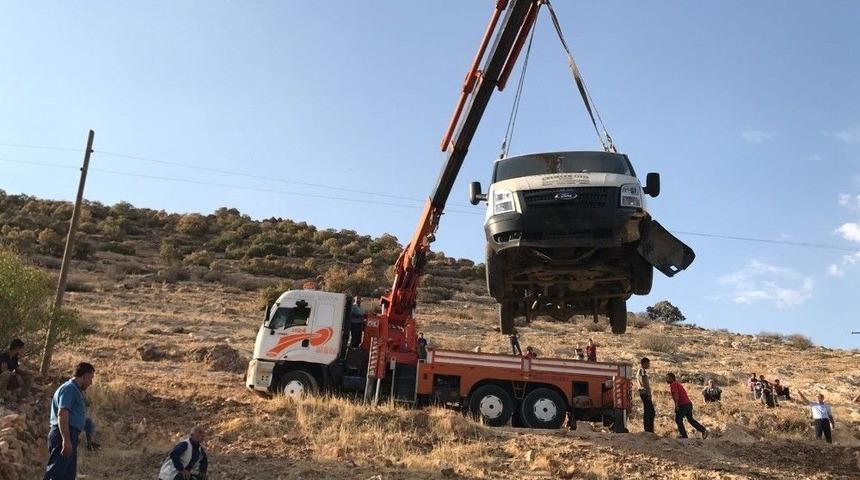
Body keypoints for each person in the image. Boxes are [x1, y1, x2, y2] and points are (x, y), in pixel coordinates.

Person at [44, 362, 96, 480]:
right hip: (63, 435)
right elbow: (62, 414)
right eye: (91, 378)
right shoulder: (69, 388)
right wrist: (66, 440)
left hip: (70, 435)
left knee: (67, 475)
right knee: (55, 474)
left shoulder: (76, 391)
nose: (91, 383)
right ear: (85, 376)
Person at [666, 372, 708, 439]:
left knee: (678, 419)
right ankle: (703, 430)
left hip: (683, 405)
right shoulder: (678, 384)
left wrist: (676, 405)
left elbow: (676, 394)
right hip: (688, 404)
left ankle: (684, 436)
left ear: (671, 378)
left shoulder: (673, 384)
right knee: (690, 420)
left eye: (667, 378)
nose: (666, 379)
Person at [637, 357, 655, 433]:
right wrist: (649, 393)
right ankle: (648, 429)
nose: (649, 365)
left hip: (643, 392)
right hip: (644, 392)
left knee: (649, 411)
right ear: (643, 363)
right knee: (650, 411)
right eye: (648, 363)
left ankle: (649, 429)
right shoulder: (642, 371)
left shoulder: (640, 371)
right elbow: (644, 382)